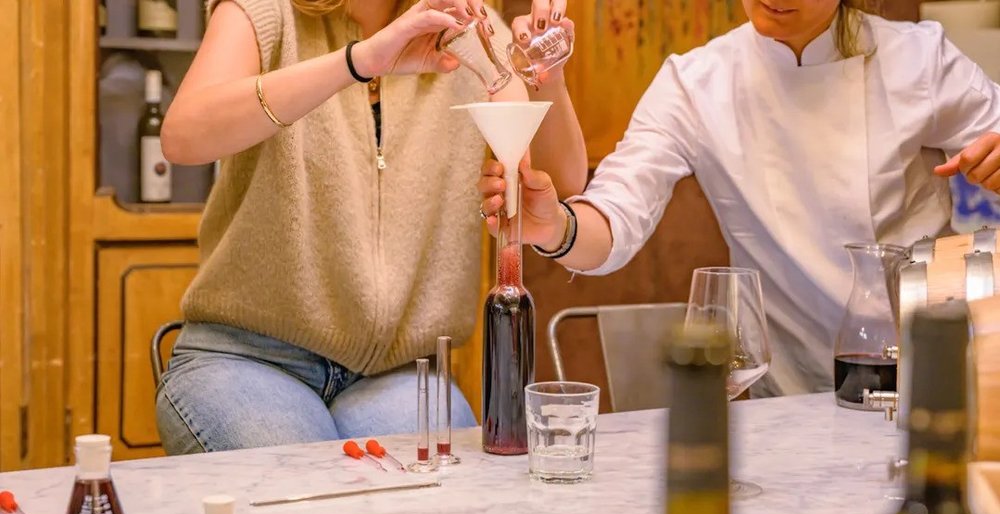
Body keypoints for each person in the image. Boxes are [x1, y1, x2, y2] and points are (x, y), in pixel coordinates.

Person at [479, 0, 1000, 397]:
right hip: (792, 406)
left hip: (934, 385)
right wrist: (555, 227)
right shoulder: (698, 82)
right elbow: (615, 216)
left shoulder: (921, 60)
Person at [155, 0, 587, 455]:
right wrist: (358, 61)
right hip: (247, 360)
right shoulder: (265, 10)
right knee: (314, 506)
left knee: (447, 511)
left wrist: (548, 73)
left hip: (397, 374)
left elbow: (558, 181)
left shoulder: (466, 26)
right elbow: (183, 135)